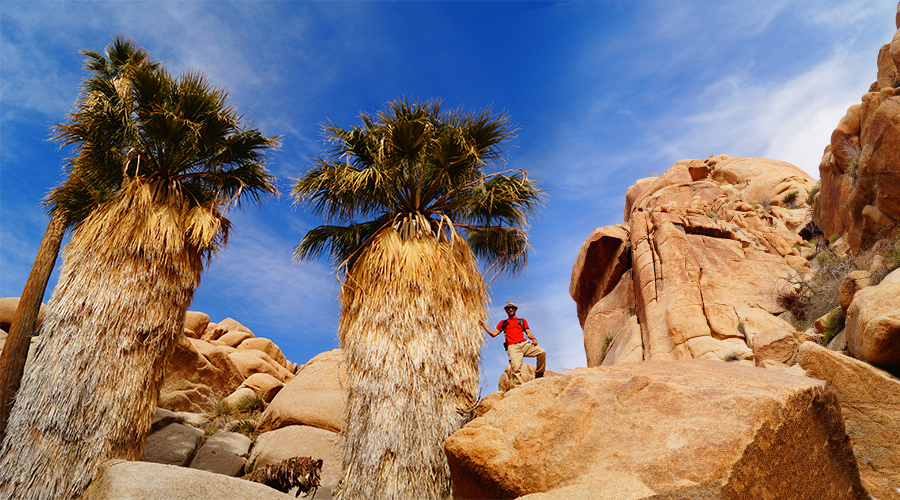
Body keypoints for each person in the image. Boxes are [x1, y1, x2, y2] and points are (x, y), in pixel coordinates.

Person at [479, 301, 546, 388]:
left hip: (524, 344)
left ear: (515, 309)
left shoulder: (521, 321)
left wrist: (533, 339)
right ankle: (519, 388)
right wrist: (484, 325)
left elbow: (528, 332)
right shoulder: (503, 323)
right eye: (508, 308)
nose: (510, 309)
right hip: (513, 347)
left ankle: (539, 374)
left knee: (542, 352)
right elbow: (493, 334)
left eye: (512, 308)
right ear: (506, 311)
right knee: (516, 369)